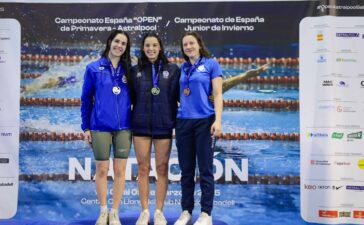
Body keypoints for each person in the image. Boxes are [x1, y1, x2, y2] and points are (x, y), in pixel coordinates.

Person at [80, 30, 132, 225]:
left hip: (125, 127)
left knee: (120, 171)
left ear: (126, 48)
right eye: (117, 41)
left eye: (124, 43)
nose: (119, 45)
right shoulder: (93, 68)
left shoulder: (129, 70)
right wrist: (86, 128)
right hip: (100, 126)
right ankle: (103, 211)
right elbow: (86, 99)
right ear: (110, 42)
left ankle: (115, 212)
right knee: (102, 169)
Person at [130, 33, 180, 225]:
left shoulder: (173, 70)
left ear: (160, 48)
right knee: (143, 168)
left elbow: (180, 97)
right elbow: (130, 99)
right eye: (147, 45)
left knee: (161, 168)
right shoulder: (135, 71)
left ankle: (159, 211)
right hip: (141, 125)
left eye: (154, 45)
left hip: (164, 125)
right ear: (143, 48)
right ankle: (144, 211)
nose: (151, 49)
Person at [174, 32, 223, 225]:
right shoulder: (183, 68)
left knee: (205, 169)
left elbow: (218, 94)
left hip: (205, 121)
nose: (188, 47)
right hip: (183, 122)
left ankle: (205, 214)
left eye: (191, 43)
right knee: (186, 170)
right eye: (185, 44)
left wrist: (218, 120)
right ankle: (186, 211)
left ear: (199, 45)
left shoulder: (211, 64)